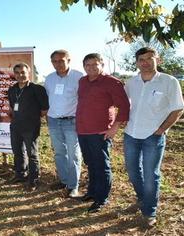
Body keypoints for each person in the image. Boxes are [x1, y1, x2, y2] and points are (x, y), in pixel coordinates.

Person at [124, 47, 184, 226]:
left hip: (153, 135)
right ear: (136, 62)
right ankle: (143, 198)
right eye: (141, 59)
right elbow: (120, 103)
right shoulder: (131, 82)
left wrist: (161, 129)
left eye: (150, 58)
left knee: (151, 174)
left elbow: (178, 108)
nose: (145, 62)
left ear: (158, 60)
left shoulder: (169, 81)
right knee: (133, 171)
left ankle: (149, 211)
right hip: (131, 133)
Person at [76, 53, 130, 213]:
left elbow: (125, 106)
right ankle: (92, 192)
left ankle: (101, 199)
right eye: (88, 65)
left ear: (102, 65)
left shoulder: (112, 82)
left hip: (100, 132)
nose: (91, 67)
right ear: (84, 66)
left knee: (101, 165)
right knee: (90, 163)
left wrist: (114, 127)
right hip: (82, 129)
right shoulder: (83, 81)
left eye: (95, 64)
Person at [44, 49, 83, 197]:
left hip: (72, 121)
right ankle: (64, 180)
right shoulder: (49, 78)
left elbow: (84, 99)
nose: (58, 64)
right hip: (54, 120)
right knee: (59, 153)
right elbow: (48, 99)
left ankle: (73, 186)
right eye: (55, 61)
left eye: (61, 60)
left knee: (74, 154)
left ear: (69, 60)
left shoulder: (78, 77)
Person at [7, 63, 49, 191]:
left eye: (23, 72)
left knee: (32, 154)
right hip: (16, 125)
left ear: (28, 72)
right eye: (17, 72)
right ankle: (20, 174)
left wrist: (32, 118)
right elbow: (12, 106)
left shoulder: (37, 89)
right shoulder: (12, 89)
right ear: (14, 74)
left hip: (31, 126)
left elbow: (44, 109)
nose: (20, 75)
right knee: (17, 151)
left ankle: (33, 180)